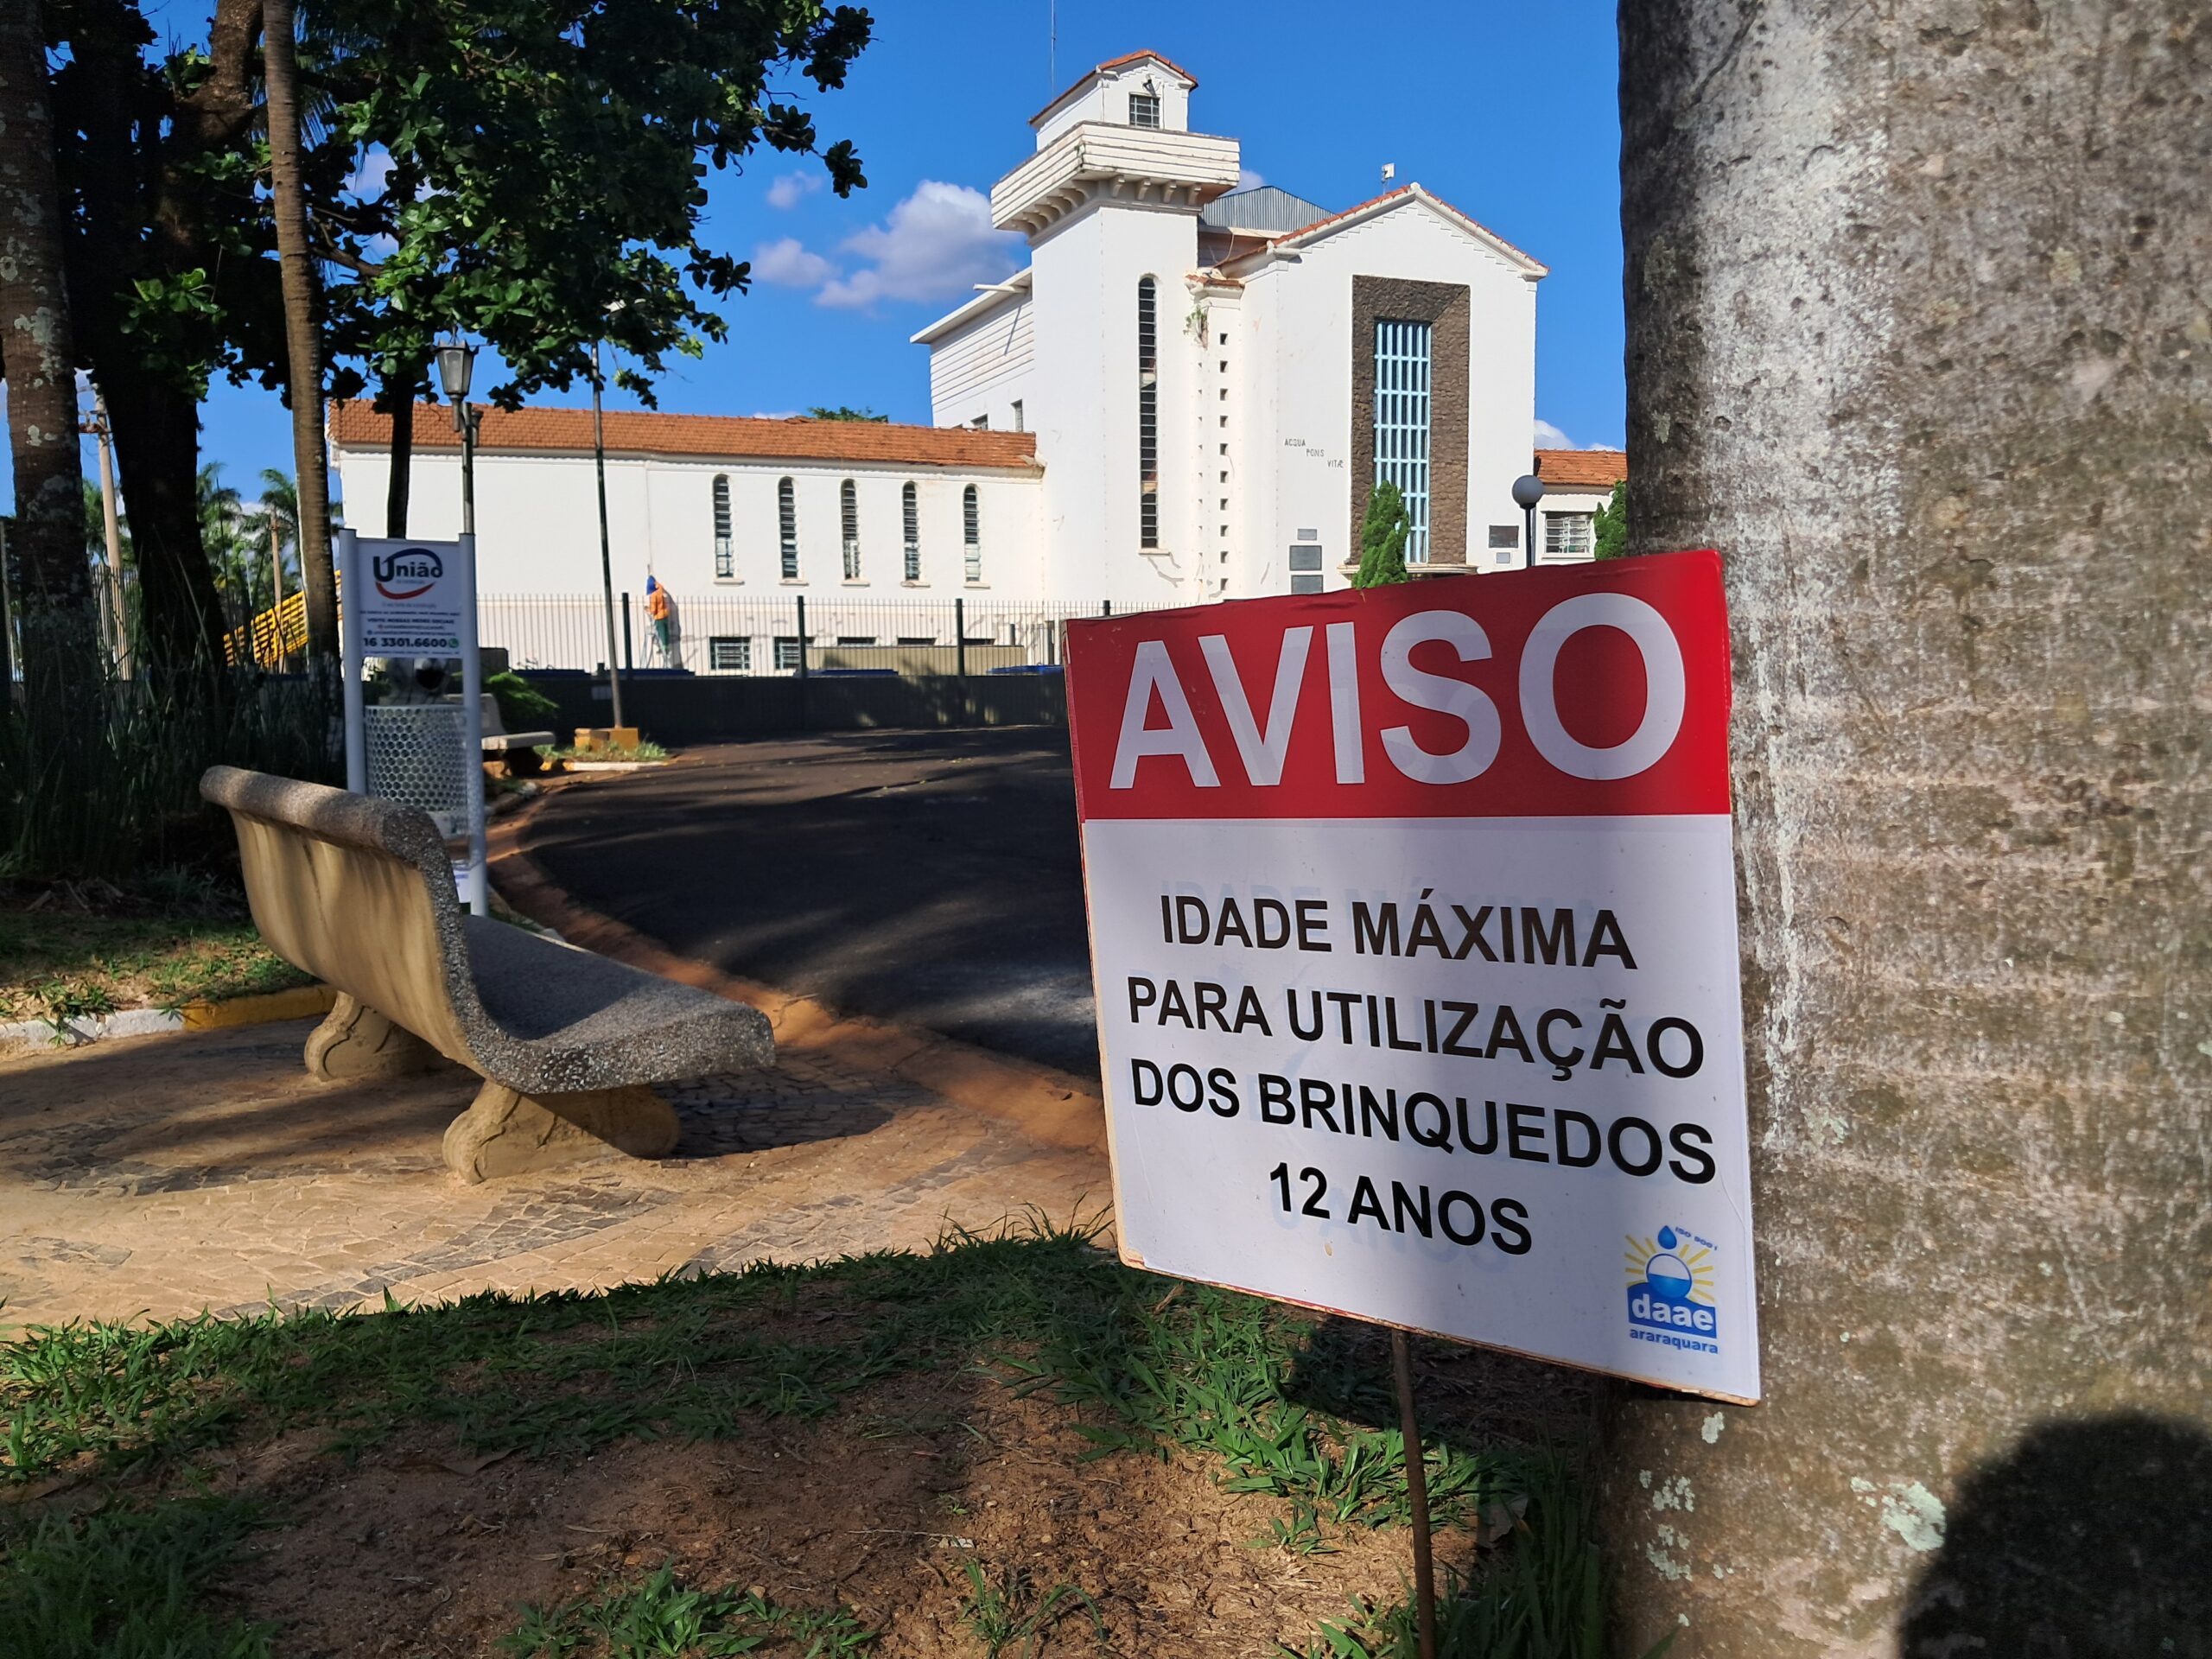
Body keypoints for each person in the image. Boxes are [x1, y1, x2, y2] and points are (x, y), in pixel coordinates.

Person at [643, 575, 677, 665]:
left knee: (661, 633)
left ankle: (663, 648)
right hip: (665, 614)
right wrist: (655, 582)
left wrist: (647, 609)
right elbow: (661, 586)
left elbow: (653, 610)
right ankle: (666, 647)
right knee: (665, 632)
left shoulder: (653, 596)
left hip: (659, 617)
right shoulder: (659, 591)